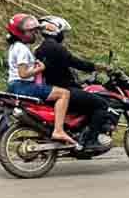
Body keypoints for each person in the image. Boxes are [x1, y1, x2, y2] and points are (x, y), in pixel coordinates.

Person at [35, 16, 111, 149]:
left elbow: (62, 69)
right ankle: (91, 140)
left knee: (87, 100)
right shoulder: (56, 48)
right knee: (101, 104)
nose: (63, 35)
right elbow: (76, 63)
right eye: (62, 32)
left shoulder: (39, 49)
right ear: (55, 30)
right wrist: (99, 67)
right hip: (64, 89)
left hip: (51, 88)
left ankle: (80, 133)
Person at [5, 13, 77, 146]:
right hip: (23, 86)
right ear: (21, 33)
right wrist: (41, 68)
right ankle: (59, 130)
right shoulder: (22, 49)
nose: (35, 34)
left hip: (15, 85)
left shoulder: (14, 47)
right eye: (31, 31)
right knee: (64, 94)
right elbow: (23, 73)